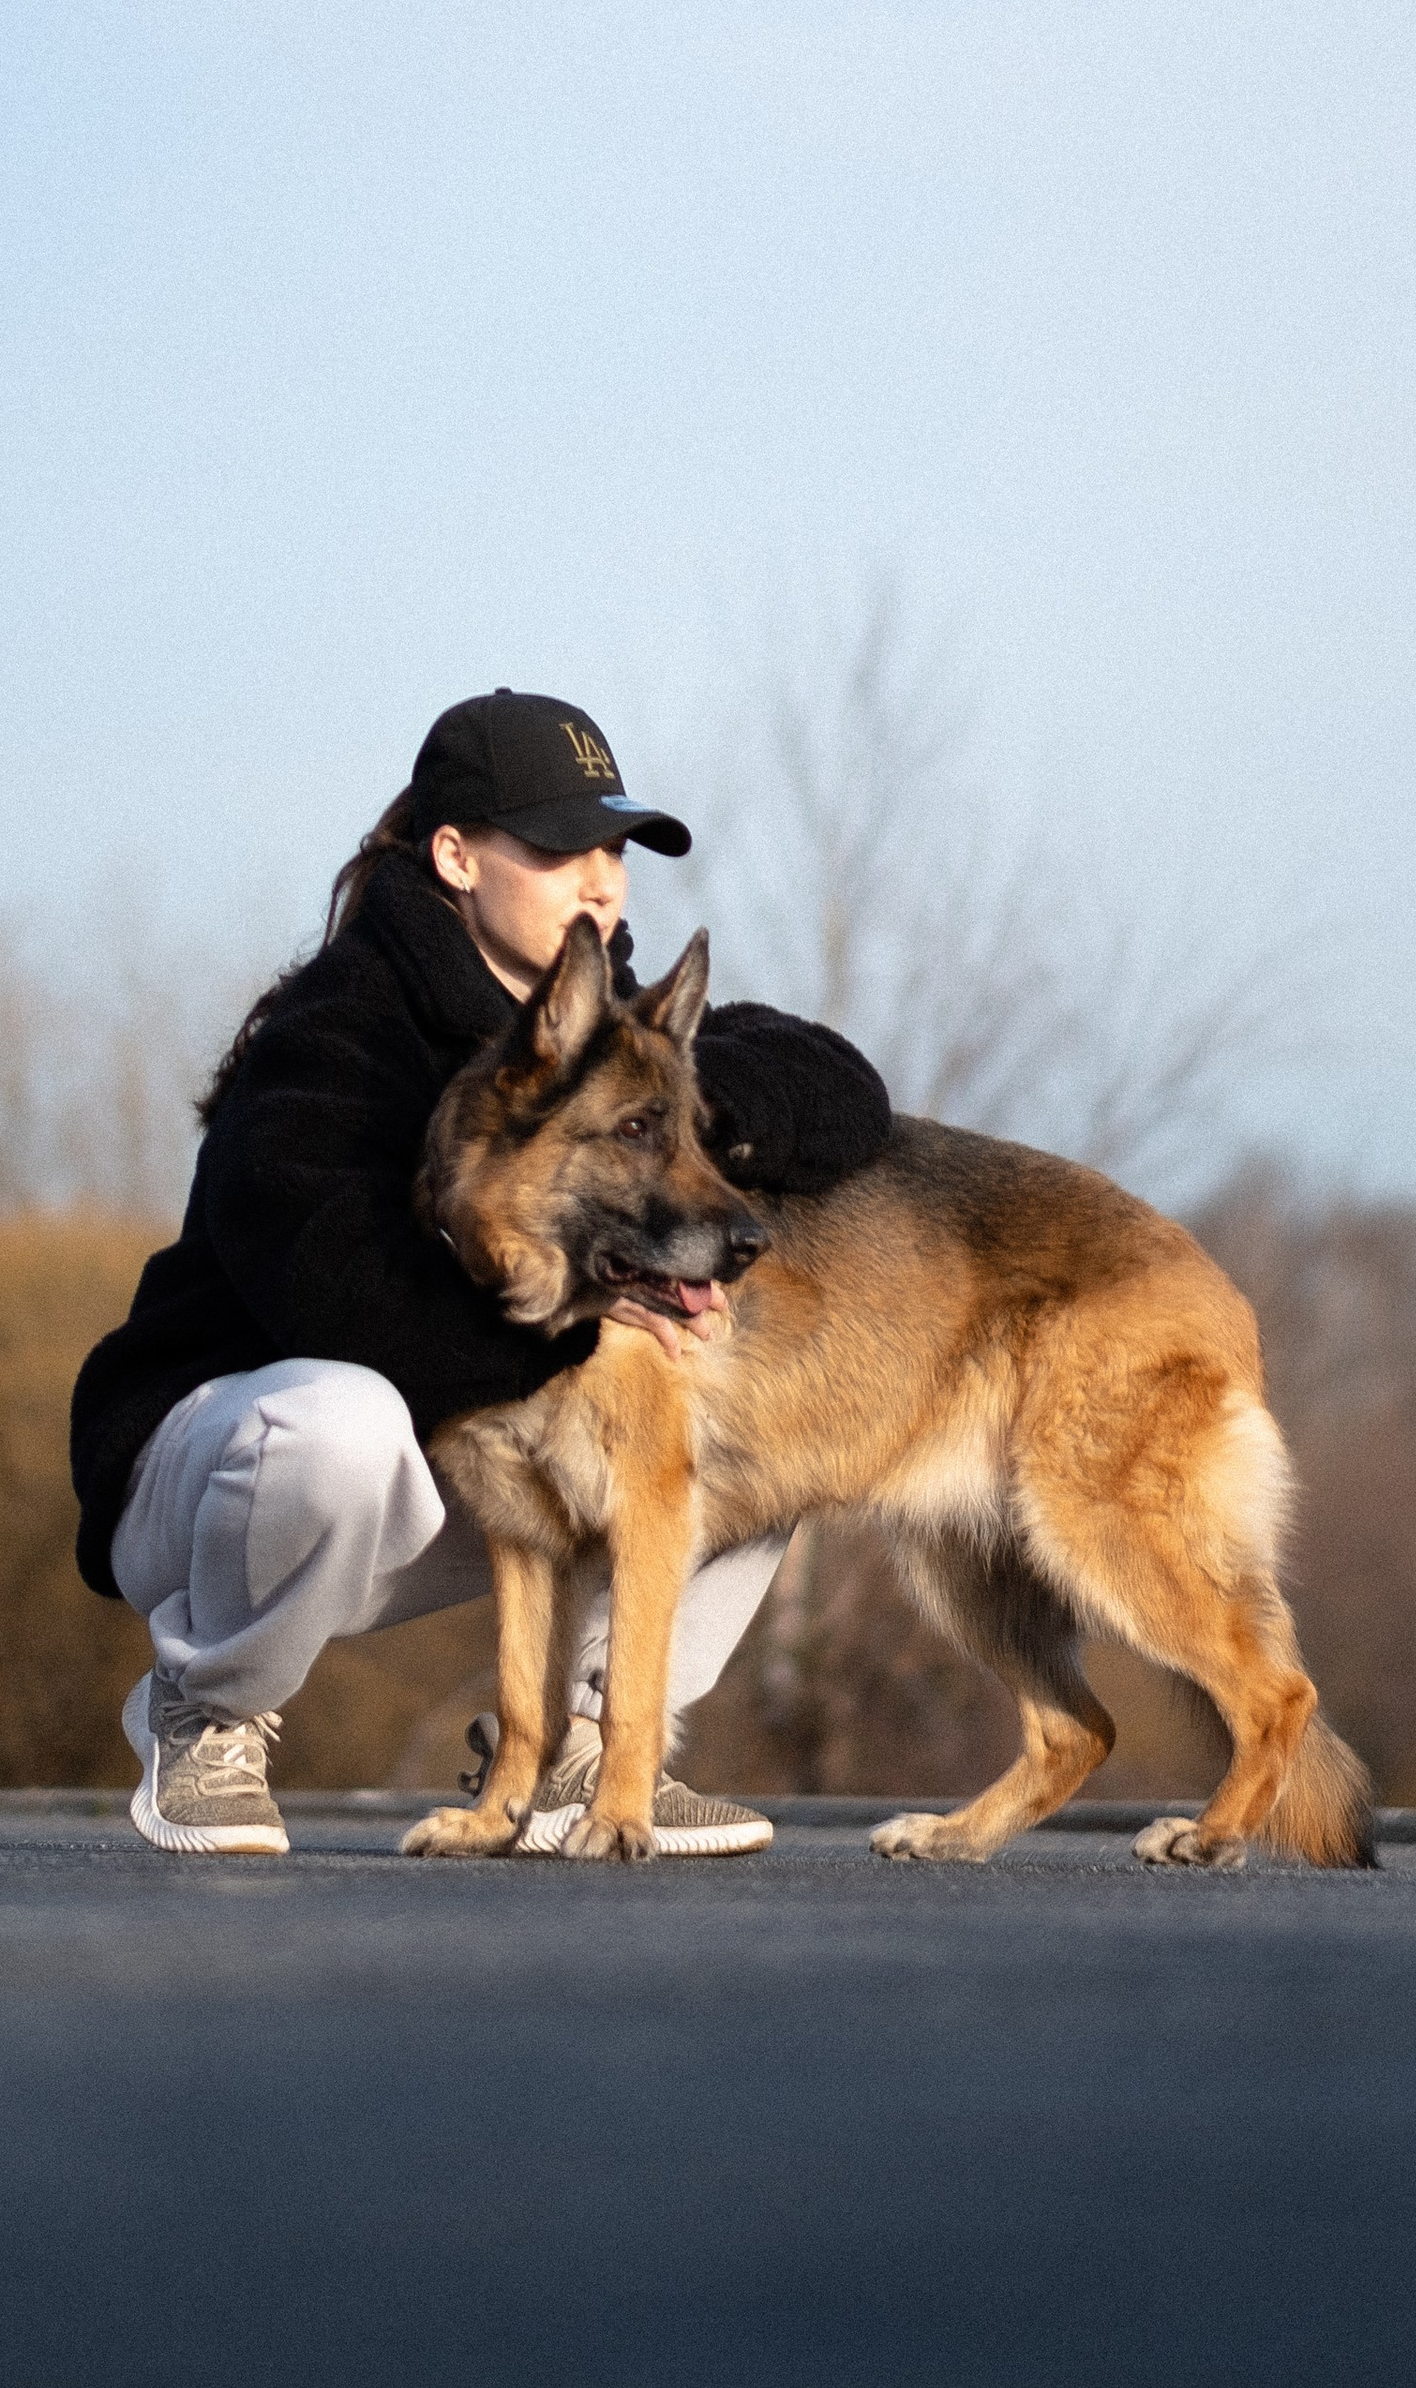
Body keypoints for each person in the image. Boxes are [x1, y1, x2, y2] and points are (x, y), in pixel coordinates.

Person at [70, 689, 891, 1856]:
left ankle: (591, 1751)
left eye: (615, 852)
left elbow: (844, 1090)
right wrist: (588, 1316)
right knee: (344, 1420)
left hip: (432, 1475)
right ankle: (204, 1706)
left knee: (752, 1412)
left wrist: (664, 1112)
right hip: (226, 1476)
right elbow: (338, 1304)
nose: (600, 882)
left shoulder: (610, 1038)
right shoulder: (335, 1033)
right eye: (560, 850)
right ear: (455, 858)